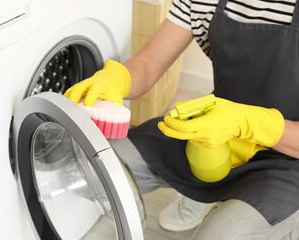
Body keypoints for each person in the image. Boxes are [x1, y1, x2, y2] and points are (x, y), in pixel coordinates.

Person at [64, 0, 299, 239]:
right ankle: (206, 194)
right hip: (212, 133)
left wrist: (246, 122)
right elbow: (148, 64)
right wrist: (118, 78)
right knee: (86, 168)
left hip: (289, 155)